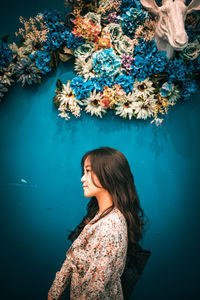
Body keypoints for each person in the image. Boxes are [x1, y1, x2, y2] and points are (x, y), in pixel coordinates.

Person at [47, 147, 151, 300]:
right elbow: (71, 262)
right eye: (84, 172)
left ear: (108, 174)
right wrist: (53, 294)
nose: (82, 178)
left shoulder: (112, 226)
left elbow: (95, 290)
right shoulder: (99, 217)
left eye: (88, 171)